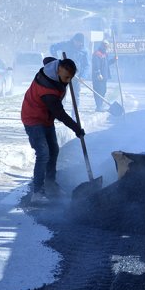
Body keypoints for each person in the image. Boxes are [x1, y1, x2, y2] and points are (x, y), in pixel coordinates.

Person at [20, 57, 84, 203]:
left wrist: (59, 62)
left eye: (71, 78)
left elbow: (46, 59)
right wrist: (76, 128)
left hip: (46, 117)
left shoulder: (54, 67)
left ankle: (50, 184)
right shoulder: (48, 89)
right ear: (59, 70)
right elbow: (59, 113)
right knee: (43, 153)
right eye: (66, 77)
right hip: (33, 118)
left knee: (54, 150)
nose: (68, 81)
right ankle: (37, 193)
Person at [90, 42, 111, 112]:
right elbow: (96, 65)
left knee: (103, 91)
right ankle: (98, 106)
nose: (107, 48)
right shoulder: (97, 54)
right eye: (106, 47)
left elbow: (107, 63)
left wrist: (114, 60)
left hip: (104, 76)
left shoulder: (105, 54)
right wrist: (98, 73)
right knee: (98, 91)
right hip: (98, 77)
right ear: (103, 46)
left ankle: (100, 105)